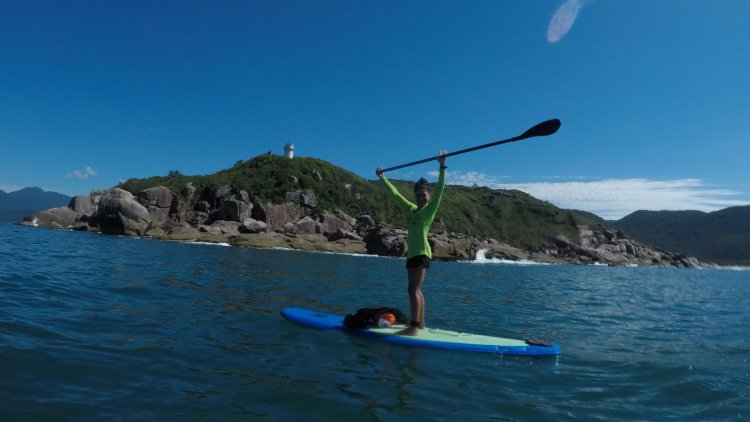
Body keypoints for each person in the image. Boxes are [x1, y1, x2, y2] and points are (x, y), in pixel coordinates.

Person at [376, 152, 447, 335]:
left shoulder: (429, 210)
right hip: (412, 254)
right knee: (417, 290)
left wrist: (442, 166)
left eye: (423, 195)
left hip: (422, 253)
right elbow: (395, 194)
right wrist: (383, 178)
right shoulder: (411, 209)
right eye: (418, 196)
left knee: (412, 290)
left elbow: (440, 189)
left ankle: (414, 327)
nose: (421, 198)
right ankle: (421, 324)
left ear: (428, 196)